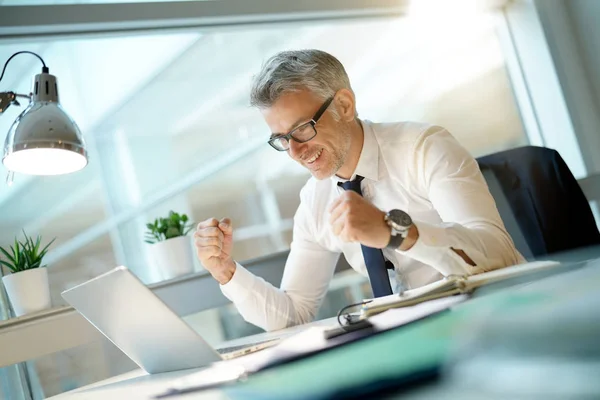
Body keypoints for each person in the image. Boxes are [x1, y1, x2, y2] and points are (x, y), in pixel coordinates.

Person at [194, 49, 524, 332]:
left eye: (302, 130)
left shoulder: (425, 148)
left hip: (495, 321)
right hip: (408, 346)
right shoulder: (315, 201)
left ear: (345, 106)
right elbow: (293, 315)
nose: (294, 152)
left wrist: (394, 231)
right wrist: (226, 272)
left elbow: (499, 256)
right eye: (282, 139)